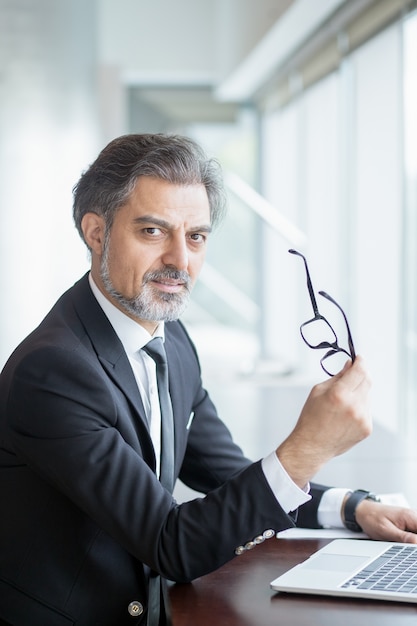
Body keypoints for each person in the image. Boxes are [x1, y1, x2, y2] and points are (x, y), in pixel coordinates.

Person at [0, 134, 416, 626]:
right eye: (153, 232)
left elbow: (225, 473)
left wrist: (351, 508)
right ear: (96, 232)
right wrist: (309, 446)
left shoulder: (172, 343)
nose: (181, 260)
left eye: (195, 236)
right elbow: (169, 544)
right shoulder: (51, 372)